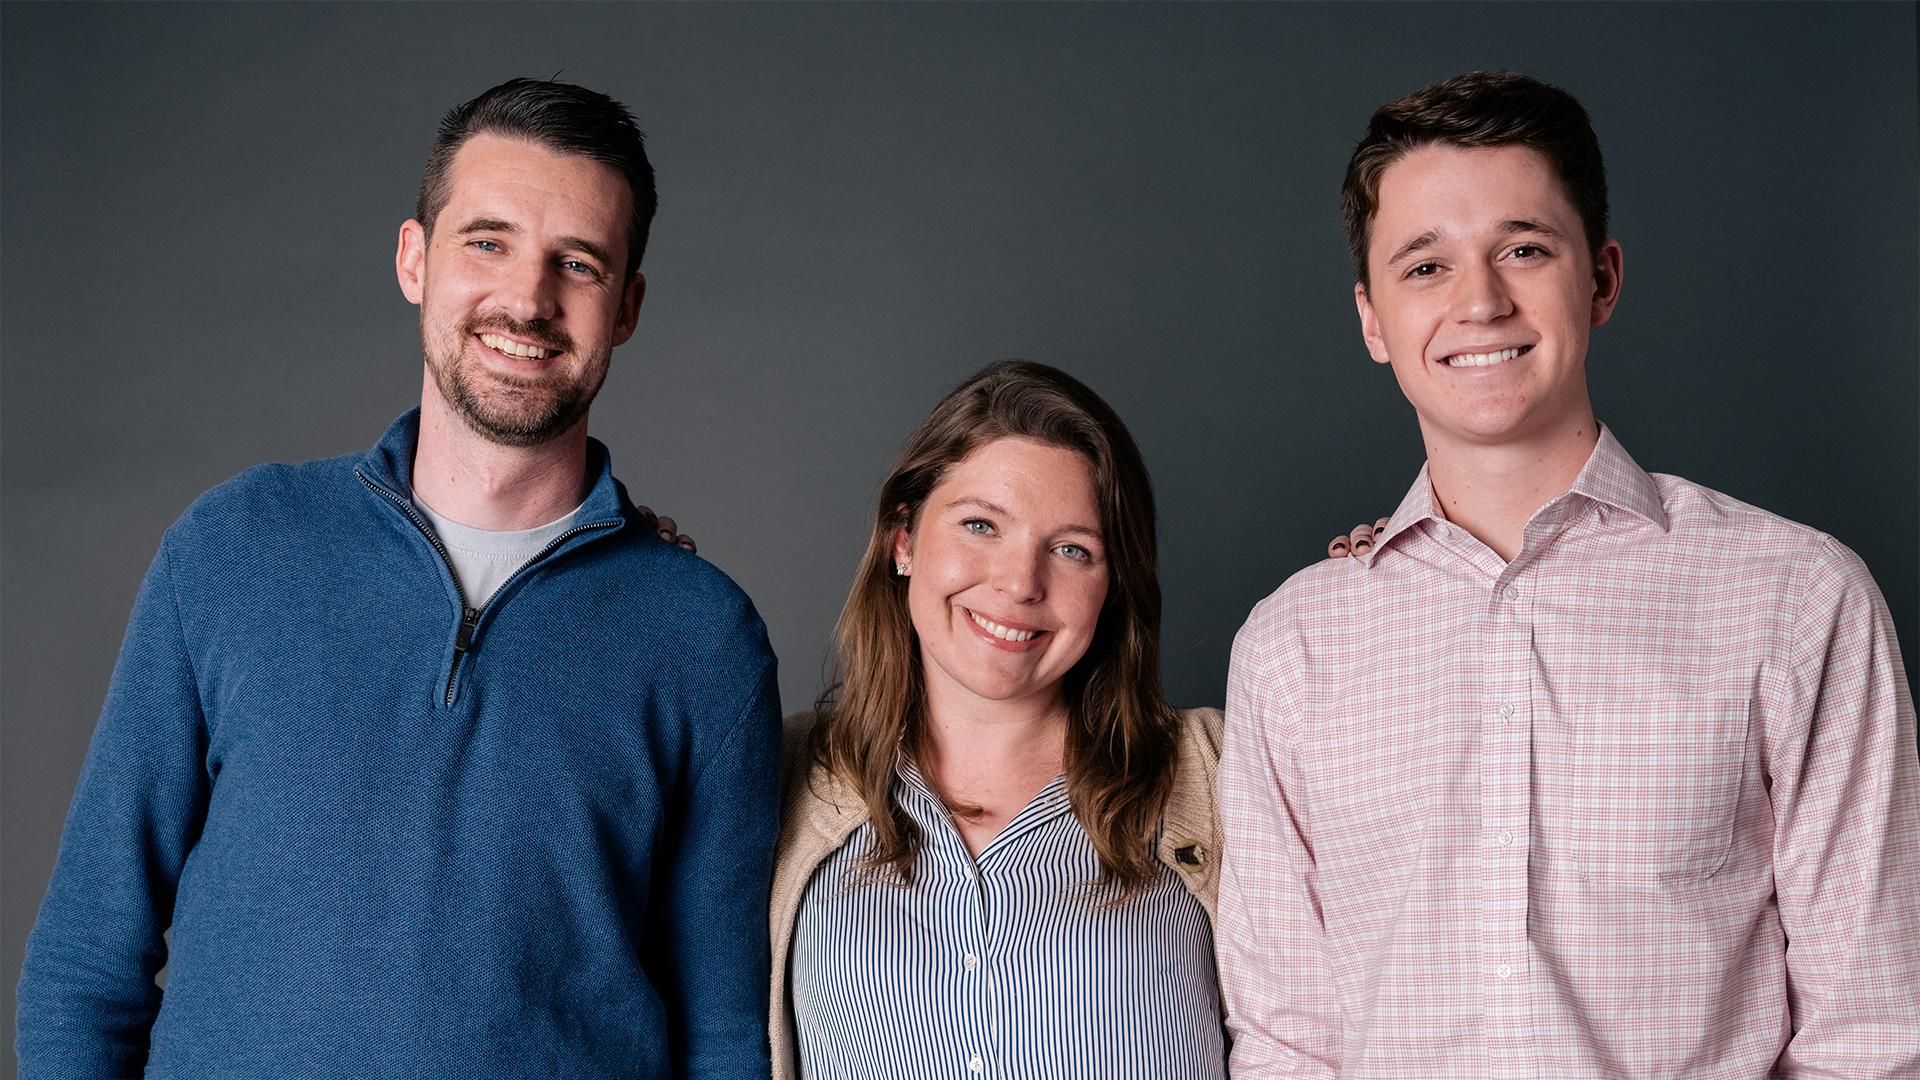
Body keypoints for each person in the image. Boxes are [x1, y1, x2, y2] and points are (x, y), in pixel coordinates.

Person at [17, 78, 781, 1079]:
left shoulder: (702, 636)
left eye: (577, 263)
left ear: (627, 306)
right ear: (414, 259)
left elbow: (722, 1036)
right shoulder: (236, 548)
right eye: (487, 242)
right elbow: (85, 963)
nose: (527, 300)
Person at [1218, 70, 1920, 1077]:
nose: (1480, 301)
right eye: (1426, 266)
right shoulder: (1292, 647)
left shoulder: (1796, 599)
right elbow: (1288, 1041)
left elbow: (1873, 1028)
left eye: (1524, 249)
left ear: (1601, 278)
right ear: (1372, 319)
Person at [769, 360, 1226, 1079]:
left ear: (1112, 585)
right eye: (981, 525)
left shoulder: (1220, 771)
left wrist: (1382, 579)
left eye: (1072, 549)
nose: (1019, 584)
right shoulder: (779, 775)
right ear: (903, 540)